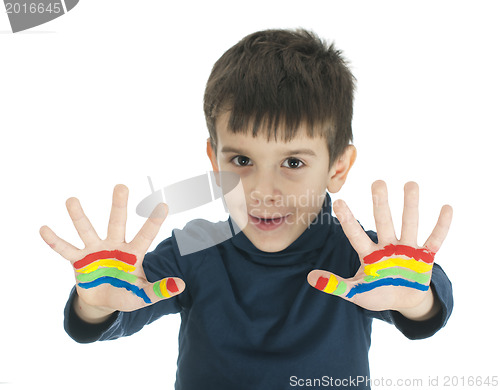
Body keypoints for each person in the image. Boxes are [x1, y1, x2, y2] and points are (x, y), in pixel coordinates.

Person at [39, 28, 453, 389]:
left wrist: (417, 303)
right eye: (241, 161)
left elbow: (421, 298)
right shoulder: (196, 248)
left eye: (293, 163)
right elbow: (122, 303)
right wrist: (94, 306)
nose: (262, 190)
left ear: (338, 167)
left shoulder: (358, 256)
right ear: (213, 158)